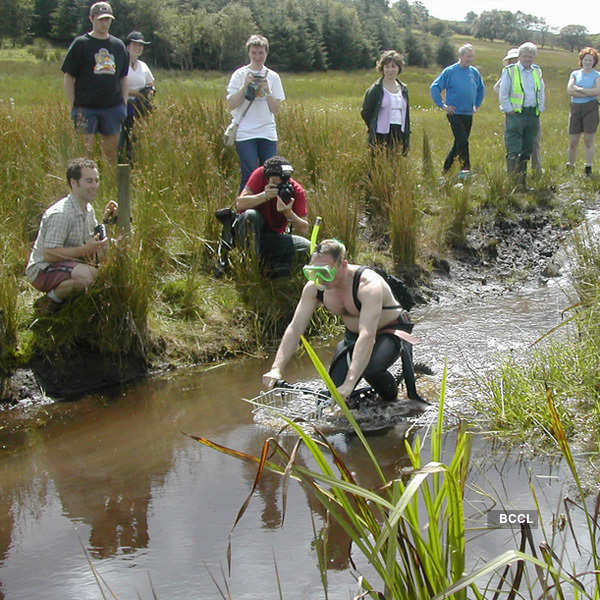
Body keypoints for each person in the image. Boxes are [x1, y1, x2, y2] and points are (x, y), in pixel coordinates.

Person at [262, 239, 422, 403]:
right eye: (313, 272)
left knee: (371, 370)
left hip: (390, 330)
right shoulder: (314, 288)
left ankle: (393, 403)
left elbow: (367, 336)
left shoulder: (367, 285)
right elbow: (295, 328)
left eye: (325, 272)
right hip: (353, 336)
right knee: (333, 394)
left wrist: (350, 382)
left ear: (343, 265)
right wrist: (276, 369)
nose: (320, 278)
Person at [25, 158, 118, 311]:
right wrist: (84, 251)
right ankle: (49, 302)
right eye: (89, 181)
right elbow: (49, 254)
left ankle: (72, 300)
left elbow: (93, 242)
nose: (94, 186)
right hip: (43, 269)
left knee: (111, 250)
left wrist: (108, 220)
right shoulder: (61, 214)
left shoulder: (88, 209)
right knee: (90, 277)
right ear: (74, 183)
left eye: (96, 180)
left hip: (69, 262)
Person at [62, 2, 129, 162]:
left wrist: (124, 104)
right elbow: (69, 77)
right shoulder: (81, 44)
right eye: (100, 19)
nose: (104, 23)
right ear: (91, 19)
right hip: (85, 108)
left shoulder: (118, 46)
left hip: (112, 107)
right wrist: (74, 104)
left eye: (107, 19)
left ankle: (110, 184)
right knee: (85, 153)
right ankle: (85, 185)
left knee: (111, 153)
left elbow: (123, 77)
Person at [226, 34, 285, 191]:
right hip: (246, 132)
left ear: (266, 53)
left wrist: (268, 91)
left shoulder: (273, 77)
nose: (257, 57)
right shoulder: (239, 74)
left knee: (271, 174)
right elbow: (231, 104)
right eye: (254, 53)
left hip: (267, 132)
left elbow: (276, 109)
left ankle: (267, 212)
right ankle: (243, 212)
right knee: (250, 174)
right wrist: (245, 86)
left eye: (261, 53)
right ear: (249, 53)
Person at [235, 156, 310, 277]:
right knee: (251, 215)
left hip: (273, 237)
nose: (277, 185)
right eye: (274, 182)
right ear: (267, 177)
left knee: (307, 247)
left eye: (281, 182)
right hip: (248, 233)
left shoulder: (296, 191)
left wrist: (288, 213)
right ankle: (249, 267)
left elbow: (304, 228)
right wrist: (264, 196)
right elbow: (239, 204)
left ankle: (272, 270)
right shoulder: (259, 174)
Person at [430, 43, 485, 176]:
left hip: (468, 113)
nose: (470, 59)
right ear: (460, 56)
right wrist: (443, 105)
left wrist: (477, 105)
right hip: (454, 113)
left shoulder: (474, 72)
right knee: (463, 141)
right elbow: (435, 87)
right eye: (468, 56)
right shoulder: (450, 71)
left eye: (472, 57)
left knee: (459, 143)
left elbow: (481, 88)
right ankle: (465, 170)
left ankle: (446, 170)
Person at [499, 42, 546, 185]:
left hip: (533, 114)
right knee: (514, 149)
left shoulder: (537, 71)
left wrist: (541, 108)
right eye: (525, 56)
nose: (528, 59)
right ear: (519, 56)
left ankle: (522, 183)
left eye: (531, 57)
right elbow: (503, 92)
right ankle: (512, 182)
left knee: (527, 149)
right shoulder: (510, 70)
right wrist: (509, 109)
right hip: (516, 114)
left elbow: (541, 91)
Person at [361, 50, 410, 154]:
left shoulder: (403, 89)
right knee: (379, 164)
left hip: (398, 132)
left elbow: (406, 114)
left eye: (393, 66)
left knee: (395, 164)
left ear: (399, 68)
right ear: (382, 68)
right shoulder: (376, 88)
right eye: (387, 67)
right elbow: (366, 112)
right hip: (380, 133)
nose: (390, 70)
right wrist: (374, 125)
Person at [119, 31, 155, 163]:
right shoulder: (120, 63)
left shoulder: (143, 66)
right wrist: (135, 93)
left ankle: (134, 164)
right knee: (121, 140)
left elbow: (150, 83)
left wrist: (149, 93)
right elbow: (115, 86)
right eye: (136, 45)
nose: (139, 48)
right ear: (128, 46)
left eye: (141, 45)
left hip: (140, 108)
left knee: (137, 139)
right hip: (123, 107)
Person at [566, 47, 600, 177]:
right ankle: (570, 165)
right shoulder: (575, 73)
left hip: (590, 109)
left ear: (594, 61)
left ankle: (588, 167)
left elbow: (597, 91)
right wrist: (587, 91)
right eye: (586, 59)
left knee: (588, 140)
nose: (588, 62)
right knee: (573, 141)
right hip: (575, 108)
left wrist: (579, 89)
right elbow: (569, 90)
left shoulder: (597, 75)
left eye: (590, 60)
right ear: (582, 60)